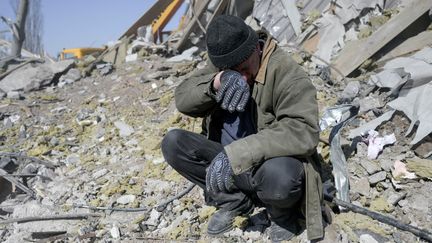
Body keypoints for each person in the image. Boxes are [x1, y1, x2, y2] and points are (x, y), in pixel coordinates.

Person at [161, 15, 324, 241]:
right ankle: (234, 201)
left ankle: (281, 213)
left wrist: (237, 153)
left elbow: (304, 131)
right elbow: (183, 99)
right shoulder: (223, 64)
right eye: (234, 71)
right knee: (174, 143)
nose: (243, 77)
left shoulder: (285, 71)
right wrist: (217, 81)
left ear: (255, 49)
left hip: (264, 166)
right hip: (229, 167)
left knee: (281, 176)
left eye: (245, 69)